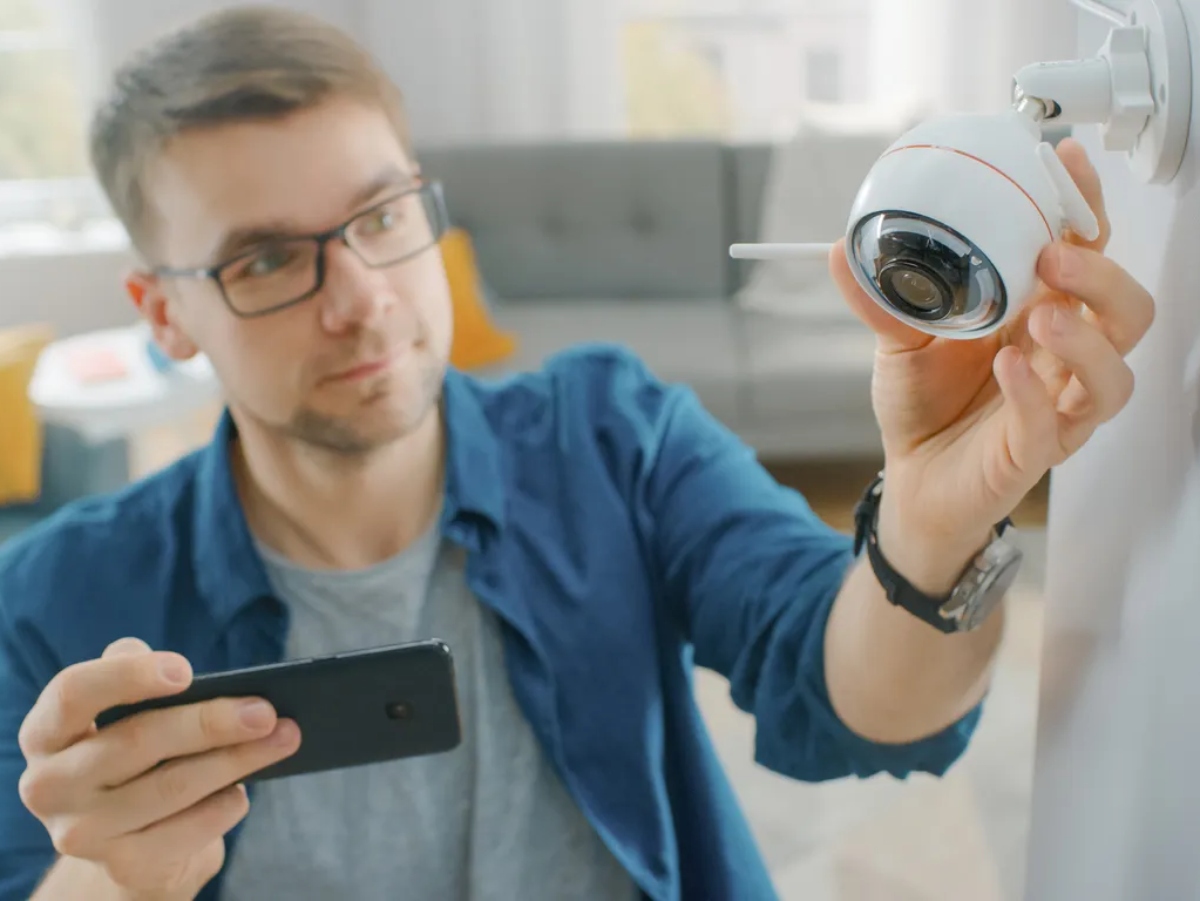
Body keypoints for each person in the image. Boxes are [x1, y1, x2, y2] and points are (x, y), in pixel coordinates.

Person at [0, 6, 1154, 901]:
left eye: (380, 217)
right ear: (162, 313)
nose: (359, 299)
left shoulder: (609, 431)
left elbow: (859, 700)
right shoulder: (58, 602)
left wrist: (937, 521)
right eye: (262, 260)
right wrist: (113, 870)